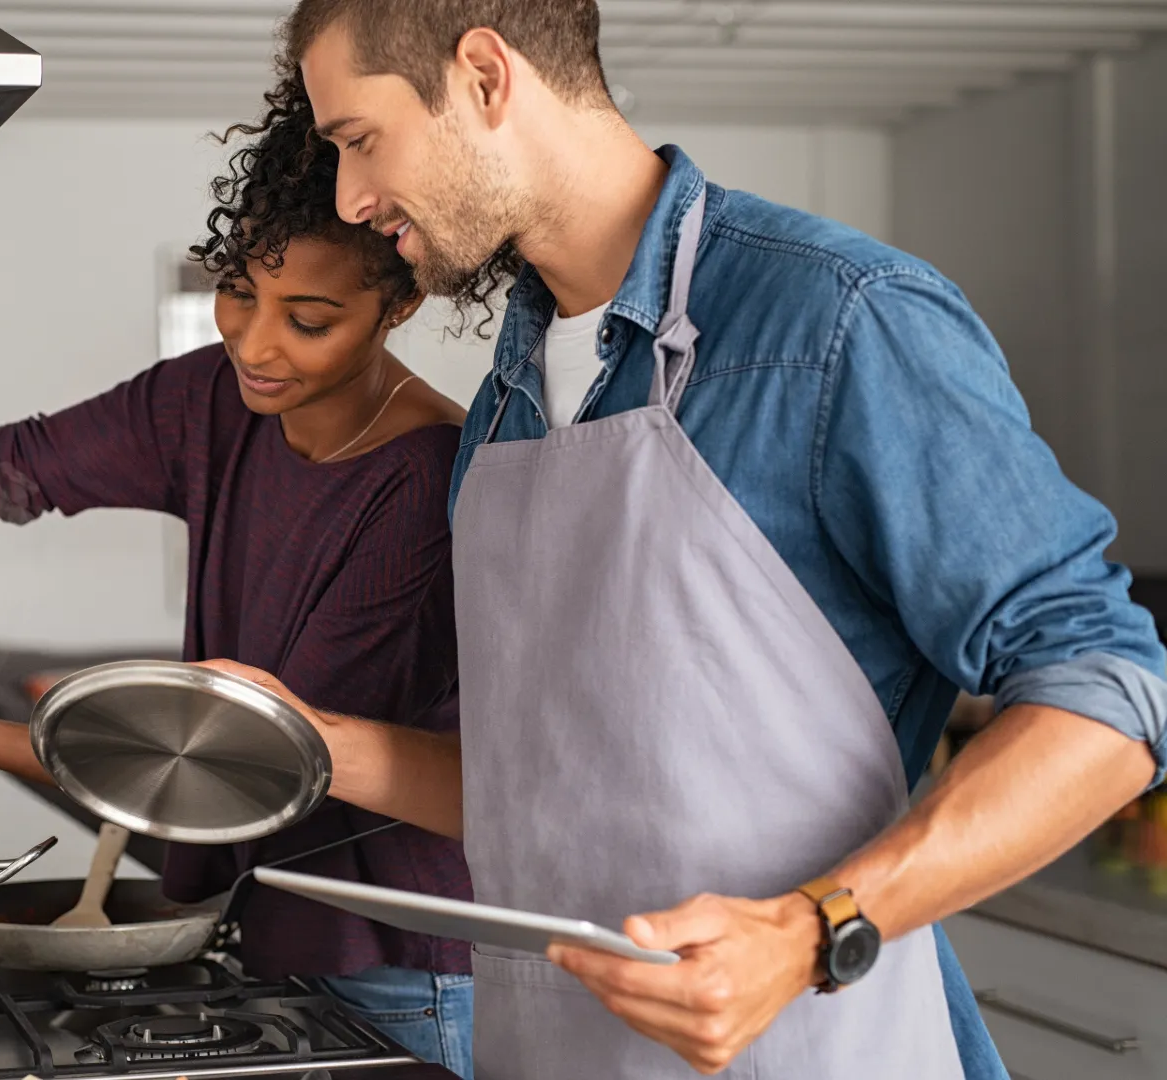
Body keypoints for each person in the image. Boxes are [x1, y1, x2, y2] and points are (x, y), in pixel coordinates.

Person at [192, 2, 1167, 1078]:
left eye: (359, 141)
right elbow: (554, 792)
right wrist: (300, 740)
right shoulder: (508, 402)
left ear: (483, 75)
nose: (351, 197)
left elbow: (1108, 689)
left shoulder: (837, 321)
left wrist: (810, 931)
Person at [0, 89, 480, 1077]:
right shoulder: (213, 396)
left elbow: (249, 774)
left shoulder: (421, 484)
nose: (255, 344)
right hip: (276, 934)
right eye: (239, 291)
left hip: (405, 971)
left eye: (308, 319)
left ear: (402, 302)